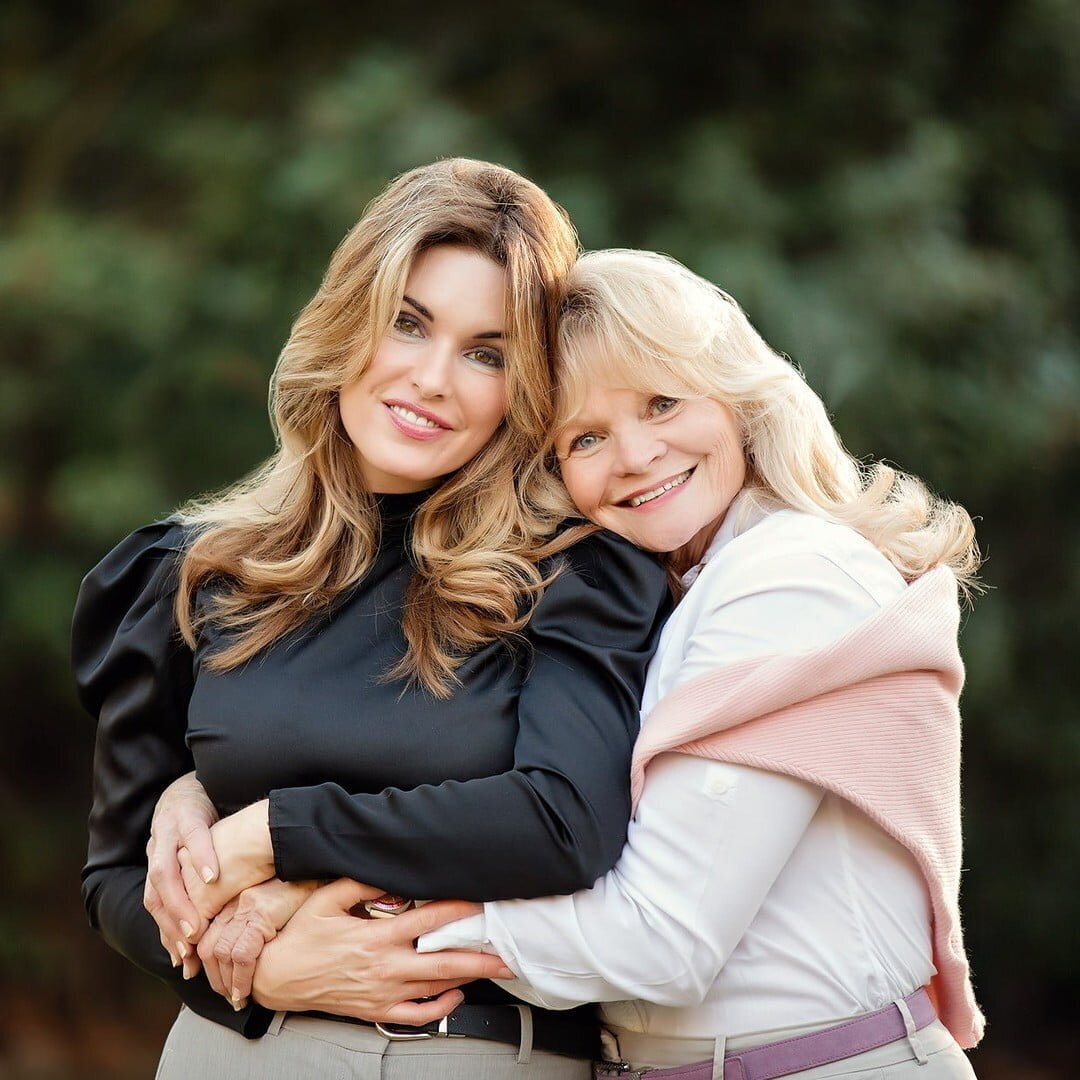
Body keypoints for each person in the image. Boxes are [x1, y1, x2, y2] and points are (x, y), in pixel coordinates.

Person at [72, 166, 670, 1079]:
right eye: (409, 322)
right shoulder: (188, 575)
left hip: (470, 1055)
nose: (432, 381)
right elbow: (117, 880)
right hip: (229, 1052)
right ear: (352, 316)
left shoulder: (576, 573)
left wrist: (272, 832)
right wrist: (271, 973)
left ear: (529, 386)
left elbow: (564, 825)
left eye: (488, 352)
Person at [417, 249, 984, 1079]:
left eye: (662, 403)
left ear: (739, 396)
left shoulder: (791, 572)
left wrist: (398, 929)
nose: (636, 454)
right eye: (586, 437)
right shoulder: (673, 597)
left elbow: (664, 940)